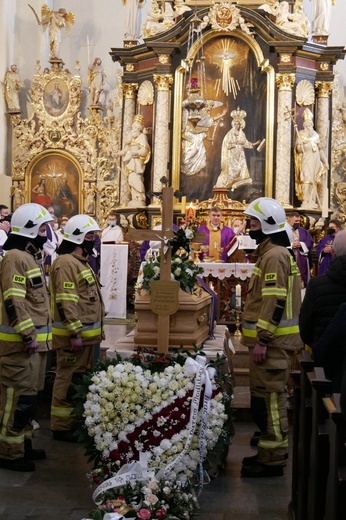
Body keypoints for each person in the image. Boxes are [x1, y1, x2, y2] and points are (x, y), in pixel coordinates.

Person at [240, 197, 303, 478]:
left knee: (272, 403)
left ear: (266, 225)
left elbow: (274, 302)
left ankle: (273, 461)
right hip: (270, 344)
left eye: (252, 223)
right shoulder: (269, 253)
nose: (248, 228)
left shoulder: (274, 255)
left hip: (273, 345)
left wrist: (263, 340)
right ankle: (267, 453)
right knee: (264, 399)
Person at [0, 203, 53, 471]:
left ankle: (24, 444)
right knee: (17, 399)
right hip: (19, 345)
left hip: (35, 345)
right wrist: (28, 334)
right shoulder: (15, 258)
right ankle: (9, 452)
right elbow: (15, 301)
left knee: (30, 399)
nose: (47, 233)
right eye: (43, 228)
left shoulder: (32, 257)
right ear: (29, 230)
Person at [50, 215, 105, 441]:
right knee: (67, 379)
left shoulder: (79, 262)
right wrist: (74, 333)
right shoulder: (66, 263)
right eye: (90, 236)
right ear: (78, 238)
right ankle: (61, 426)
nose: (93, 240)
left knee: (78, 379)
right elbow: (67, 301)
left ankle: (73, 420)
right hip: (74, 338)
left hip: (86, 338)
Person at [300, 229, 346, 392]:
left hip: (324, 362)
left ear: (332, 253)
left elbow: (305, 326)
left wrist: (317, 346)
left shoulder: (317, 285)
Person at [215, 107, 261, 190]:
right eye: (235, 124)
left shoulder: (242, 134)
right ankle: (226, 184)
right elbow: (227, 144)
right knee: (232, 171)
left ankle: (238, 184)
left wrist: (255, 143)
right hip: (232, 154)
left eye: (238, 124)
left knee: (241, 169)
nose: (237, 125)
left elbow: (246, 143)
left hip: (240, 154)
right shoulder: (230, 133)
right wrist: (235, 143)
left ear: (241, 125)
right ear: (233, 124)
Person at [294, 108, 328, 210]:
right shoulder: (300, 134)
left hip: (316, 161)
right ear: (304, 125)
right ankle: (305, 200)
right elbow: (298, 150)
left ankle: (312, 200)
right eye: (307, 125)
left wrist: (325, 161)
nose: (309, 126)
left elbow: (320, 150)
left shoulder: (315, 135)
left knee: (314, 180)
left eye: (310, 124)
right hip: (306, 159)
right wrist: (300, 145)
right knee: (306, 179)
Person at [117, 114, 151, 207]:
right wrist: (118, 153)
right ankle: (134, 197)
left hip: (137, 162)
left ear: (139, 128)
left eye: (136, 127)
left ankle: (140, 198)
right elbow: (125, 149)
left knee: (136, 178)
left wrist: (136, 153)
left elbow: (145, 150)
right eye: (134, 126)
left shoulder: (142, 137)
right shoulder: (130, 137)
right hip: (130, 161)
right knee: (130, 179)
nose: (134, 128)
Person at [287, 212, 313, 288]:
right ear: (290, 220)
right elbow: (279, 244)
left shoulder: (303, 231)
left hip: (301, 259)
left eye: (299, 221)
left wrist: (301, 244)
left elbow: (310, 242)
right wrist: (292, 245)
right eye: (296, 221)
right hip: (288, 256)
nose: (298, 223)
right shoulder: (284, 230)